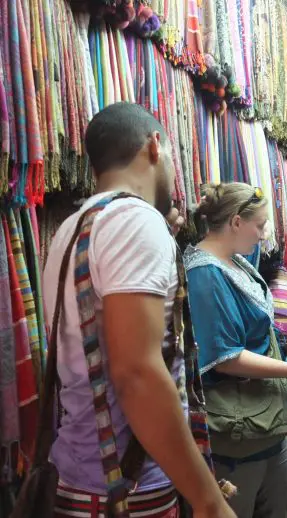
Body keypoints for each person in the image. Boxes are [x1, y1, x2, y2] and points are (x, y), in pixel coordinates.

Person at [42, 102, 236, 518]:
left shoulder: (72, 227)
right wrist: (208, 501)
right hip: (126, 495)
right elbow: (136, 373)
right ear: (154, 146)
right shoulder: (135, 221)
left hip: (83, 481)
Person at [184, 182, 287, 518]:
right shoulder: (205, 273)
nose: (265, 234)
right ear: (236, 223)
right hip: (238, 437)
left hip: (266, 426)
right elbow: (226, 357)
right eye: (260, 224)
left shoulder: (235, 260)